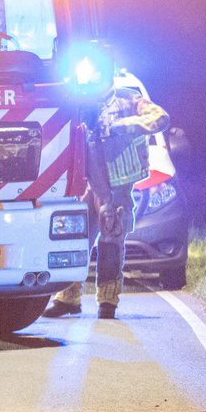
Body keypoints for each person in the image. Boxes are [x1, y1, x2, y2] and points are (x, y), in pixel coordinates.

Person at [43, 83, 169, 319]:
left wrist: (122, 126)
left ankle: (108, 301)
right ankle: (67, 298)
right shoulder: (75, 100)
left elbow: (160, 118)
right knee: (74, 241)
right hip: (83, 184)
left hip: (115, 184)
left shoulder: (127, 99)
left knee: (111, 241)